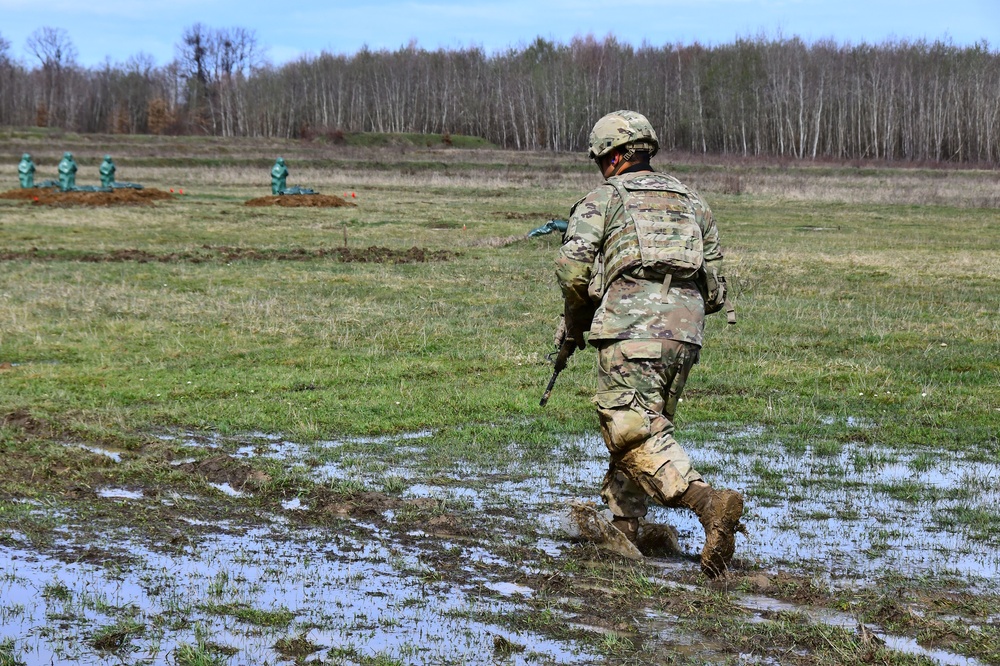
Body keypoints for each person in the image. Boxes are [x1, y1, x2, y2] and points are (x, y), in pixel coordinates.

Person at [554, 110, 743, 577]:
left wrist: (577, 320)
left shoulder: (606, 198)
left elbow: (572, 270)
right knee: (642, 429)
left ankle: (707, 504)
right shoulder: (692, 201)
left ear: (616, 156)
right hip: (686, 333)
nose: (600, 168)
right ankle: (625, 531)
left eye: (601, 160)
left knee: (631, 430)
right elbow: (716, 287)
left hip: (630, 330)